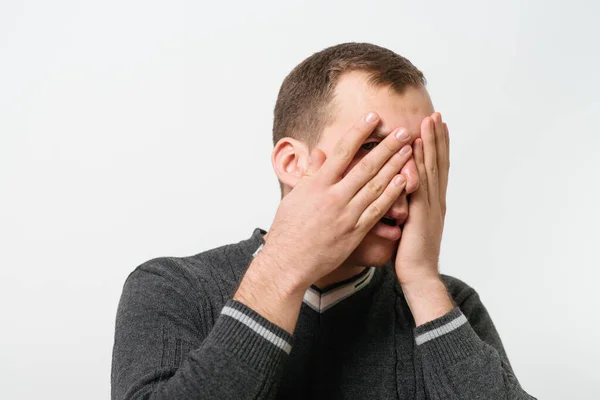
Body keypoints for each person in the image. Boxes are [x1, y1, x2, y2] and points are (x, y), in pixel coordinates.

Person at [111, 42, 536, 399]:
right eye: (373, 147)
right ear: (292, 163)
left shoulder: (450, 306)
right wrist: (283, 271)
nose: (407, 178)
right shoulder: (171, 287)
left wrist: (424, 282)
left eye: (420, 155)